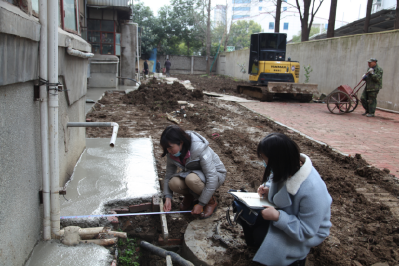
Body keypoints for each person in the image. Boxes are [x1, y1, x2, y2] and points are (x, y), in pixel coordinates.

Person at [240, 133, 332, 266]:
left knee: (261, 235)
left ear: (278, 160)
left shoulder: (313, 189)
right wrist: (269, 189)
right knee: (247, 215)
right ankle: (258, 245)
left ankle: (296, 260)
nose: (265, 164)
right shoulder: (288, 167)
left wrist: (278, 217)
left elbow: (306, 231)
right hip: (289, 216)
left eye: (266, 160)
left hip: (306, 232)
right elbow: (280, 182)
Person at [160, 125, 226, 219]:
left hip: (215, 174)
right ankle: (190, 196)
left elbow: (212, 176)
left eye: (170, 147)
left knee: (191, 180)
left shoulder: (199, 148)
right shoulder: (171, 153)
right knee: (173, 182)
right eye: (166, 148)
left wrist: (201, 204)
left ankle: (211, 202)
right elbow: (168, 175)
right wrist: (168, 198)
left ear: (181, 142)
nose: (168, 150)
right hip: (193, 174)